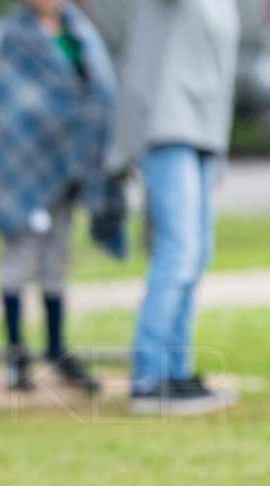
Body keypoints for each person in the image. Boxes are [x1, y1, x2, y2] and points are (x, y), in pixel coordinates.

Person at [0, 0, 125, 395]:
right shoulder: (18, 36)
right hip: (26, 166)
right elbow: (15, 106)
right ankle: (15, 355)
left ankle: (57, 352)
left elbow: (99, 92)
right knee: (21, 257)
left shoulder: (80, 31)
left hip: (71, 169)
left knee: (57, 258)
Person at [106, 0, 240, 415]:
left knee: (197, 254)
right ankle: (149, 379)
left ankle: (175, 372)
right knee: (178, 251)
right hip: (168, 124)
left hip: (204, 133)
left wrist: (217, 152)